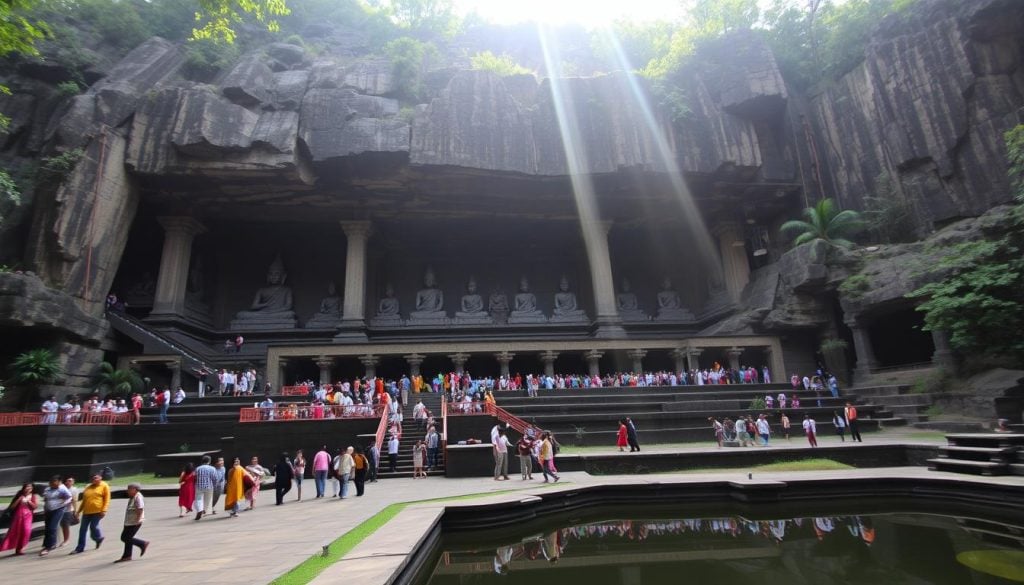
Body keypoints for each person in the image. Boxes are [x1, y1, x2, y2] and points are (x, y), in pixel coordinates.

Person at [72, 473, 110, 554]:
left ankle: (98, 538)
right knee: (82, 529)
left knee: (93, 526)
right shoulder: (88, 487)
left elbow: (107, 499)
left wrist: (104, 510)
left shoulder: (104, 486)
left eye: (96, 478)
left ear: (100, 478)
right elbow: (84, 501)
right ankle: (80, 547)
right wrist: (78, 511)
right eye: (93, 478)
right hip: (87, 512)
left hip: (97, 511)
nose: (94, 480)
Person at [114, 483, 148, 563]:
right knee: (127, 538)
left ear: (135, 489)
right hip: (129, 521)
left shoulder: (138, 497)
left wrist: (138, 520)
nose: (127, 491)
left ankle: (142, 544)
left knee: (126, 538)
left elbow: (140, 509)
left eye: (129, 489)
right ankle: (127, 555)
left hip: (135, 522)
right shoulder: (133, 496)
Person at [39, 475, 72, 556]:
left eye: (55, 481)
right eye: (51, 482)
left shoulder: (62, 489)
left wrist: (63, 503)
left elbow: (69, 498)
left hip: (58, 509)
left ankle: (51, 545)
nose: (52, 483)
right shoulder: (47, 489)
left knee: (52, 527)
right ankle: (46, 544)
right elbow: (45, 499)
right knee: (47, 527)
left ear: (59, 482)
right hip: (48, 510)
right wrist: (45, 507)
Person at [1, 483, 37, 556]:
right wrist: (19, 499)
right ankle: (16, 549)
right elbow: (12, 507)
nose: (28, 489)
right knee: (15, 531)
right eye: (27, 487)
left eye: (30, 487)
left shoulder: (32, 496)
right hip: (18, 515)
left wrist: (29, 501)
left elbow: (34, 507)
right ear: (24, 488)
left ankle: (20, 547)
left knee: (26, 531)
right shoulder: (20, 495)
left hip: (28, 516)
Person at [193, 456, 217, 521]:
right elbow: (215, 478)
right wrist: (215, 485)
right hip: (209, 486)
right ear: (209, 461)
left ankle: (200, 510)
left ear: (202, 461)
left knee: (198, 499)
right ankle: (204, 510)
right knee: (207, 500)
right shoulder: (212, 468)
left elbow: (194, 477)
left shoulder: (198, 468)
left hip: (199, 486)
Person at [60, 476, 78, 547]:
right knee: (60, 525)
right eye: (67, 480)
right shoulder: (61, 488)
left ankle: (66, 540)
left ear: (73, 482)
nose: (68, 482)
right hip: (59, 508)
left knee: (65, 525)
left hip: (68, 509)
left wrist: (75, 511)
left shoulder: (74, 490)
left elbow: (74, 501)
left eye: (70, 481)